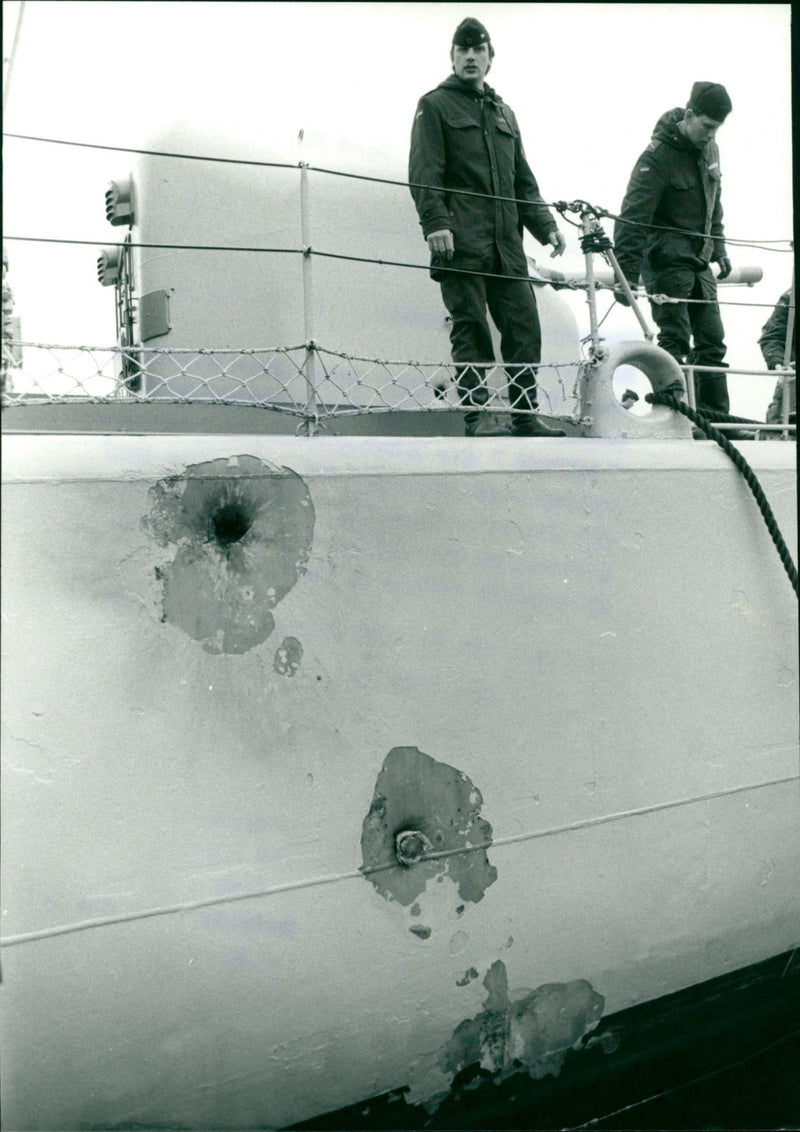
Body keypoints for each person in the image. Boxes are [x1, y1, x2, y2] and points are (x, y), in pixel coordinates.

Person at [409, 17, 566, 437]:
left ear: (490, 59)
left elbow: (523, 182)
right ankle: (476, 418)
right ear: (453, 57)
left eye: (478, 50)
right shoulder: (435, 105)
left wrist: (546, 225)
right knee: (472, 329)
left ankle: (524, 418)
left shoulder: (505, 114)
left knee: (524, 328)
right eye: (463, 50)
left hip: (506, 247)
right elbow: (425, 172)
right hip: (460, 243)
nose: (471, 56)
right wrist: (436, 224)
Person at [613, 82, 734, 416]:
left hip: (699, 264)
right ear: (689, 115)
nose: (711, 135)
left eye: (717, 129)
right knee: (674, 340)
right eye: (708, 127)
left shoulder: (711, 150)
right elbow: (632, 218)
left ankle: (715, 419)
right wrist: (625, 274)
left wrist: (719, 247)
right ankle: (674, 416)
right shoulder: (656, 158)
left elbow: (714, 202)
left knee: (712, 344)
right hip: (667, 265)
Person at [759, 289, 795, 433]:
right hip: (791, 386)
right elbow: (773, 337)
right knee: (777, 436)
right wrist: (778, 363)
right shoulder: (791, 297)